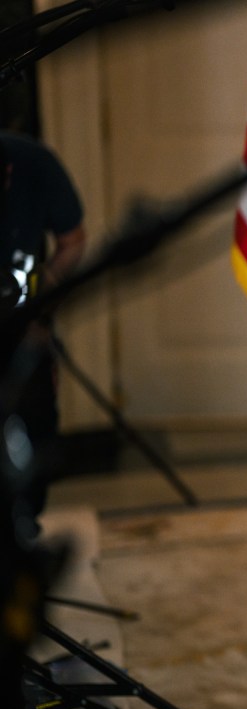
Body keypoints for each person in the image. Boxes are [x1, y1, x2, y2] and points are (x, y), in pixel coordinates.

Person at [0, 131, 86, 541]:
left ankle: (26, 527)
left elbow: (73, 241)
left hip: (24, 321)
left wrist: (38, 299)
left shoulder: (37, 166)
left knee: (35, 411)